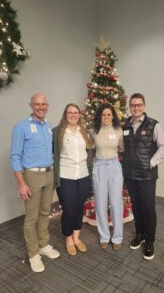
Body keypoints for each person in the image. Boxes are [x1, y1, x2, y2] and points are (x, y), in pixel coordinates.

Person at [10, 93, 60, 273]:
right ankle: (33, 253)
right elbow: (15, 156)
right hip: (31, 176)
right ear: (31, 105)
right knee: (31, 217)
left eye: (44, 104)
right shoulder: (21, 127)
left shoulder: (47, 125)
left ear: (47, 105)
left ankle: (43, 244)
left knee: (45, 211)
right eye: (37, 104)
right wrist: (21, 183)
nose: (41, 107)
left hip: (49, 174)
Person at [122, 93, 164, 260]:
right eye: (133, 105)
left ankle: (150, 241)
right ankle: (139, 234)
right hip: (130, 174)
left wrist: (151, 162)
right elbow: (122, 147)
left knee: (148, 208)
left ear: (144, 106)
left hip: (147, 175)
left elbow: (163, 146)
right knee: (136, 206)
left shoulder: (153, 125)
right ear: (129, 106)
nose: (136, 108)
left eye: (139, 105)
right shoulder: (125, 125)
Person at [53, 104, 92, 256]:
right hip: (65, 175)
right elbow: (52, 153)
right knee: (69, 208)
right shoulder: (57, 132)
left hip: (83, 175)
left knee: (79, 206)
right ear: (65, 115)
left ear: (79, 114)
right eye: (70, 112)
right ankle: (68, 239)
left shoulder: (85, 132)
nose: (73, 115)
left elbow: (89, 152)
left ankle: (77, 237)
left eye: (76, 112)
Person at [92, 103, 124, 250]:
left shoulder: (118, 131)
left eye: (109, 114)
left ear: (113, 116)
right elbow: (87, 148)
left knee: (116, 202)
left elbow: (122, 148)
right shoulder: (93, 131)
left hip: (114, 166)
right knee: (100, 202)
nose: (106, 117)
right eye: (103, 114)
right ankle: (104, 236)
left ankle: (117, 237)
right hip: (99, 167)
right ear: (100, 116)